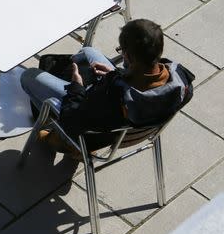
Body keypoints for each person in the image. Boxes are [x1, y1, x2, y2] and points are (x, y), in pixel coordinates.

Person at [20, 19, 194, 153]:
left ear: (130, 57)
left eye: (122, 51)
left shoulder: (111, 95)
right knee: (88, 52)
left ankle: (62, 141)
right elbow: (144, 84)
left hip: (92, 132)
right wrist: (117, 75)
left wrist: (77, 86)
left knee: (28, 76)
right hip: (127, 116)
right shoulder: (181, 82)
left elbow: (72, 118)